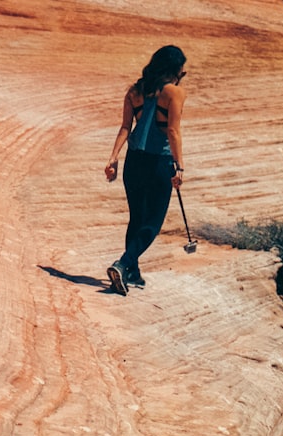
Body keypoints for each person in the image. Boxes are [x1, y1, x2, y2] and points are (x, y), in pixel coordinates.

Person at [103, 45, 187, 296]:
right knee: (152, 222)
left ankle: (132, 274)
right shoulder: (174, 93)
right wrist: (179, 165)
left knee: (137, 218)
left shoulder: (135, 91)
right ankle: (123, 264)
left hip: (133, 161)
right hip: (158, 163)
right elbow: (172, 131)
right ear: (175, 69)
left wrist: (113, 157)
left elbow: (125, 127)